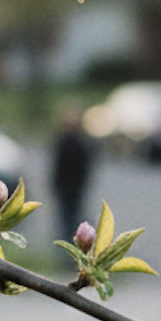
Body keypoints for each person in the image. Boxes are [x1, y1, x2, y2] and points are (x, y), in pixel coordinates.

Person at [51, 103, 94, 244]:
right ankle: (67, 246)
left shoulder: (77, 141)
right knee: (67, 218)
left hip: (73, 186)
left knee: (70, 217)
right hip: (67, 186)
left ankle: (69, 245)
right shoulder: (69, 141)